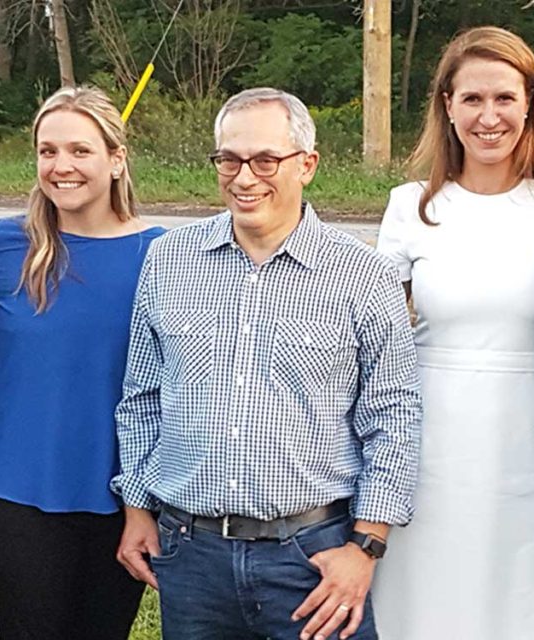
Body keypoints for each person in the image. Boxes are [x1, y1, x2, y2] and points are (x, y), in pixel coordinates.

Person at [111, 87, 421, 640]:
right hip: (191, 554)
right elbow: (142, 397)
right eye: (229, 159)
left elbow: (393, 416)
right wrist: (137, 508)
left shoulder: (361, 274)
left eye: (264, 160)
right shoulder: (169, 261)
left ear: (308, 165)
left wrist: (366, 547)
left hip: (312, 558)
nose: (244, 177)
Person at [372, 26, 534, 640]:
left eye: (504, 99)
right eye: (472, 99)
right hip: (427, 438)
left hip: (524, 434)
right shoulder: (410, 205)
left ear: (531, 105)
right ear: (447, 105)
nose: (488, 117)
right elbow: (373, 336)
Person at [0, 86, 159, 639]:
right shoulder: (4, 245)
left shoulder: (165, 255)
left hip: (123, 503)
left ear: (116, 160)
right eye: (48, 151)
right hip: (14, 501)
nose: (61, 166)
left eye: (80, 151)